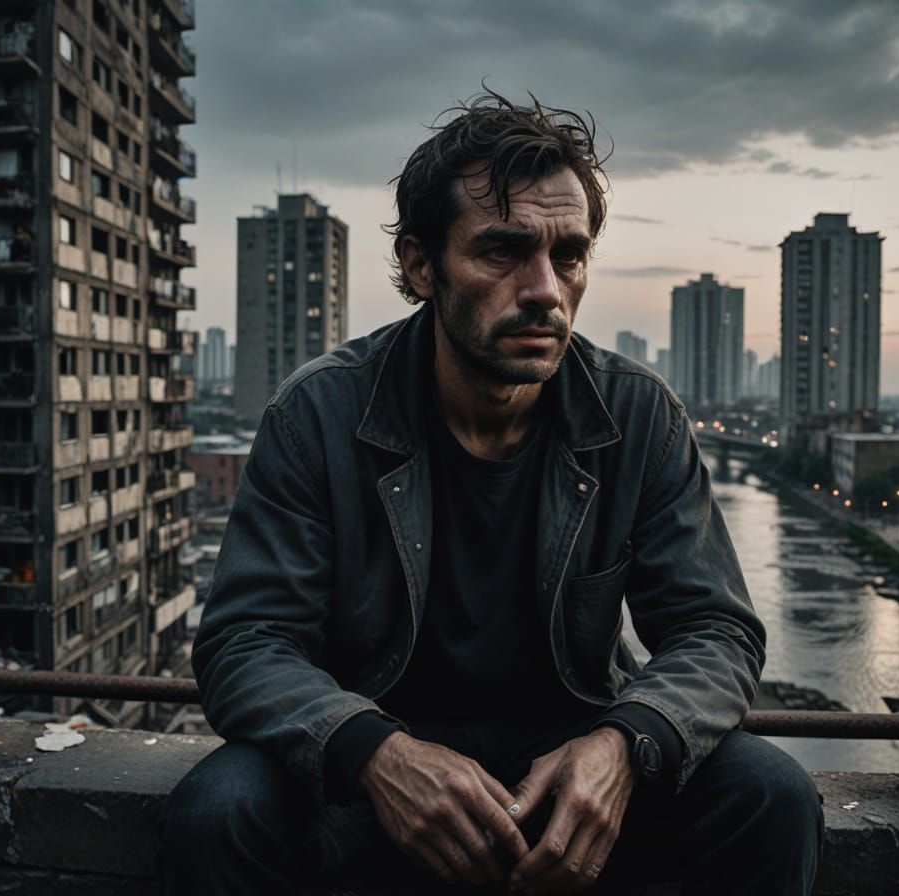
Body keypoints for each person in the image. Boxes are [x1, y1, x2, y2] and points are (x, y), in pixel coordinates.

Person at [159, 90, 822, 894]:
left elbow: (714, 629)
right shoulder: (319, 413)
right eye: (503, 252)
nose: (545, 289)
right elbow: (244, 641)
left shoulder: (637, 414)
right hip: (373, 788)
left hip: (570, 778)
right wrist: (375, 753)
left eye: (568, 255)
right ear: (419, 264)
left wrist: (624, 744)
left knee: (770, 794)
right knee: (218, 808)